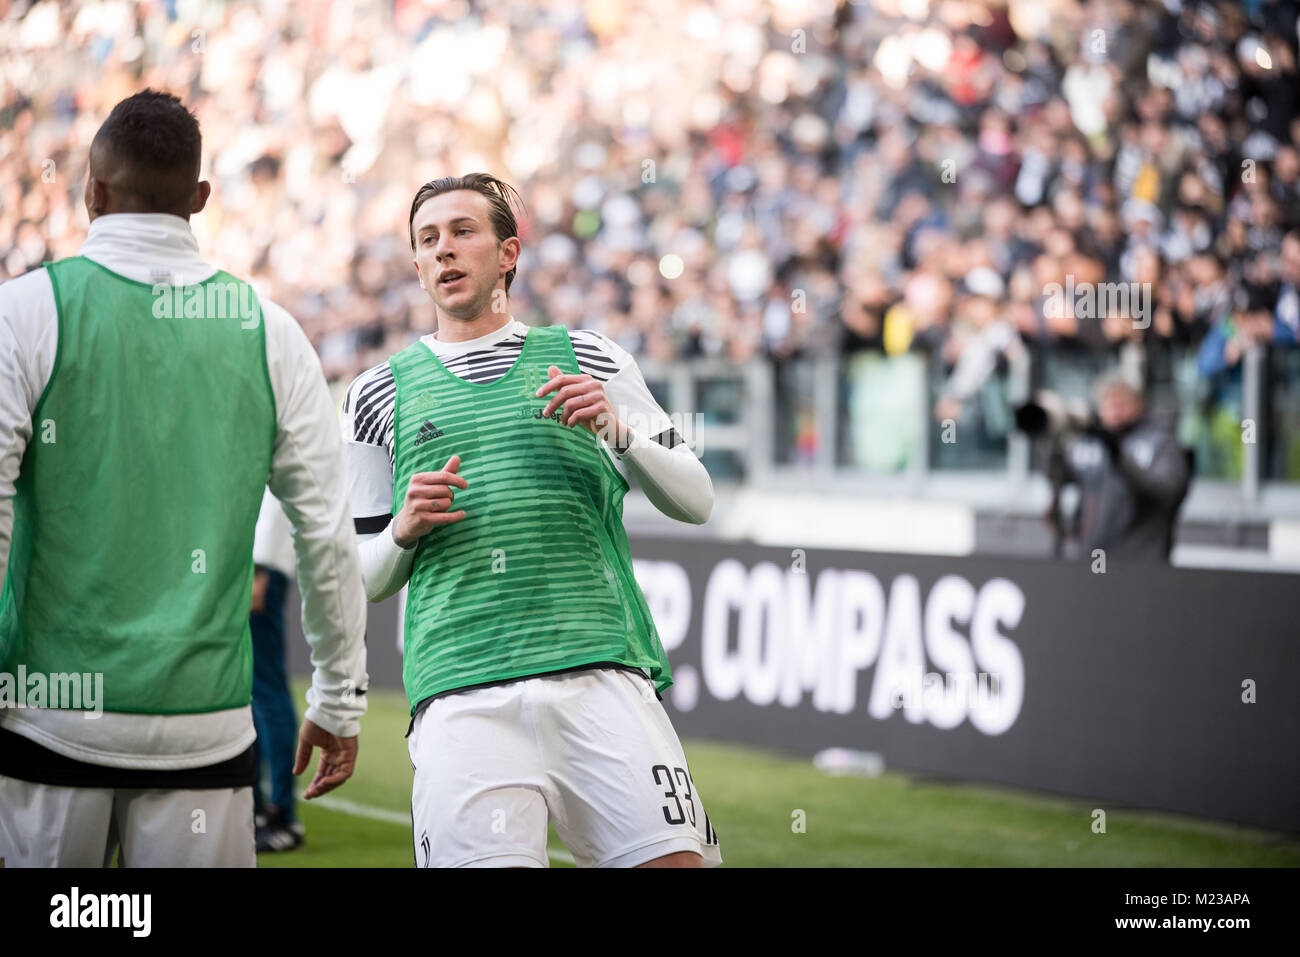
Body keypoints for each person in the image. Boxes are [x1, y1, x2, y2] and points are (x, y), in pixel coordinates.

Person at [0, 90, 368, 867]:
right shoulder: (272, 331)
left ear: (92, 192)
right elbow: (327, 532)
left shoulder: (26, 311)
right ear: (200, 198)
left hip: (51, 723)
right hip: (208, 734)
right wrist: (338, 695)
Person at [341, 173, 721, 868]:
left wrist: (618, 429)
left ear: (508, 253)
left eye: (462, 232)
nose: (444, 251)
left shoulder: (592, 358)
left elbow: (696, 498)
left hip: (599, 672)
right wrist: (403, 528)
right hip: (461, 691)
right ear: (417, 263)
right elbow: (365, 576)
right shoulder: (374, 394)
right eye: (428, 240)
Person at [1058, 376, 1191, 562]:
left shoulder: (1161, 443)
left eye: (1121, 403)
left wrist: (1120, 458)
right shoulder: (1088, 444)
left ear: (1139, 405)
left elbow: (1166, 491)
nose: (1115, 410)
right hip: (1093, 559)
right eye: (1109, 403)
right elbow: (1059, 478)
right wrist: (1054, 442)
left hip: (1140, 560)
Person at [250, 489, 304, 852]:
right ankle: (259, 808)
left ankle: (279, 813)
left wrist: (259, 566)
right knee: (252, 691)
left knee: (265, 690)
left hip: (258, 568)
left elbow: (271, 488)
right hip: (250, 565)